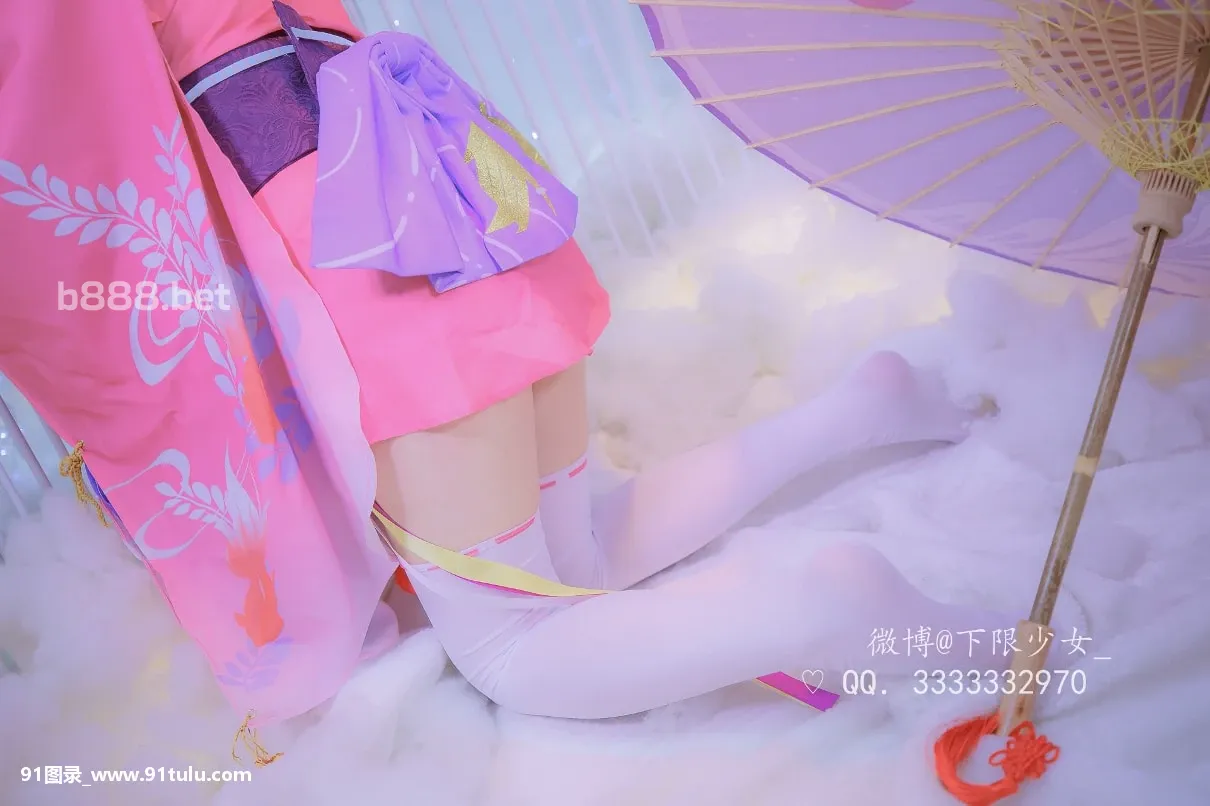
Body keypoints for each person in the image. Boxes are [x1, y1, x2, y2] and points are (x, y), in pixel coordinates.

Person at [0, 0, 1010, 734]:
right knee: (573, 560)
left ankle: (834, 604)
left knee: (512, 648)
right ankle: (858, 408)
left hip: (359, 263)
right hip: (453, 182)